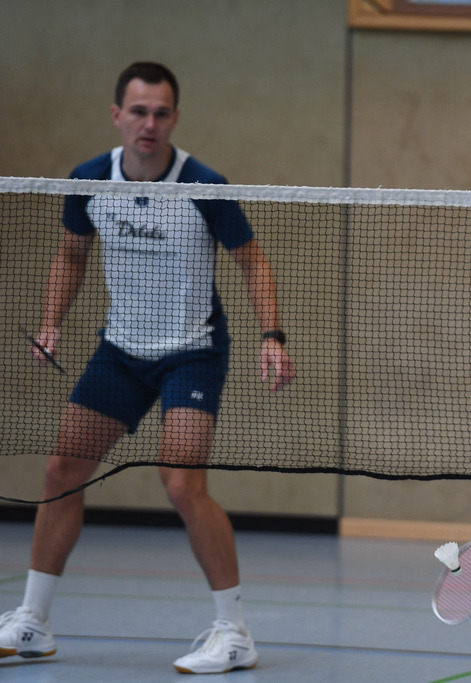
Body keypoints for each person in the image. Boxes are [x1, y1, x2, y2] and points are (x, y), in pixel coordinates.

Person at [0, 62, 296, 674]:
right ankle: (32, 622)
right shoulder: (89, 179)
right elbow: (71, 254)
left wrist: (272, 334)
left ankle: (233, 631)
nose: (149, 123)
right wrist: (53, 318)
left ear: (175, 119)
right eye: (138, 111)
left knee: (181, 483)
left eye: (161, 112)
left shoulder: (204, 185)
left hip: (192, 351)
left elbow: (253, 261)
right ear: (117, 116)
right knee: (62, 470)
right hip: (120, 353)